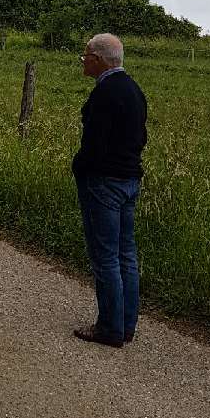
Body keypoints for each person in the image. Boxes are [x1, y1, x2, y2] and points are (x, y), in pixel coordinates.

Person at [72, 33, 147, 349]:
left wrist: (80, 166)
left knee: (105, 256)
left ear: (99, 59)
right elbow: (141, 137)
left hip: (104, 181)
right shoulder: (133, 90)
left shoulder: (105, 93)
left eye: (86, 57)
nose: (83, 62)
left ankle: (109, 327)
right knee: (126, 253)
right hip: (129, 178)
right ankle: (126, 324)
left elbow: (95, 143)